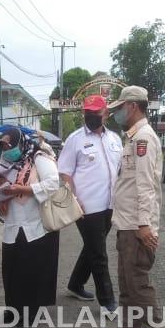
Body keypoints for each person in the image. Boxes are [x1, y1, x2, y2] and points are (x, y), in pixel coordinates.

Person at [107, 85, 165, 328]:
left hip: (137, 225)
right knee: (126, 283)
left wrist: (145, 225)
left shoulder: (143, 138)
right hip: (126, 222)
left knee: (139, 284)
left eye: (119, 108)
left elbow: (145, 186)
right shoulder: (133, 138)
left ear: (132, 106)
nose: (116, 113)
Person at [0, 127, 60, 326]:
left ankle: (30, 314)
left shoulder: (38, 158)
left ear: (20, 142)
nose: (7, 149)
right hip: (12, 224)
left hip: (35, 224)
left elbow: (54, 183)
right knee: (11, 272)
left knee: (31, 271)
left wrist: (24, 189)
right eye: (3, 146)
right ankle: (12, 312)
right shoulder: (5, 162)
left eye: (10, 145)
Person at [57, 95, 121, 312]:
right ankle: (108, 302)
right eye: (87, 112)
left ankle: (76, 284)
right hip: (86, 206)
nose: (91, 116)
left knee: (93, 247)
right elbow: (64, 172)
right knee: (99, 253)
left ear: (105, 113)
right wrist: (74, 200)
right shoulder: (75, 139)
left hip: (110, 205)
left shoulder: (114, 139)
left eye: (95, 112)